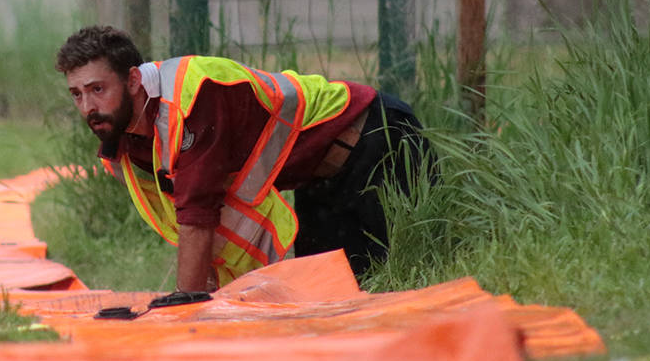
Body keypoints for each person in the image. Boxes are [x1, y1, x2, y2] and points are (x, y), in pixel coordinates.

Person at [56, 25, 434, 291]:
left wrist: (184, 314)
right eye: (77, 94)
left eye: (98, 89)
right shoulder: (125, 144)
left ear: (135, 81)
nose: (88, 106)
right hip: (318, 180)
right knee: (327, 299)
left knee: (394, 289)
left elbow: (197, 216)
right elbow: (191, 227)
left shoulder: (192, 97)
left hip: (377, 138)